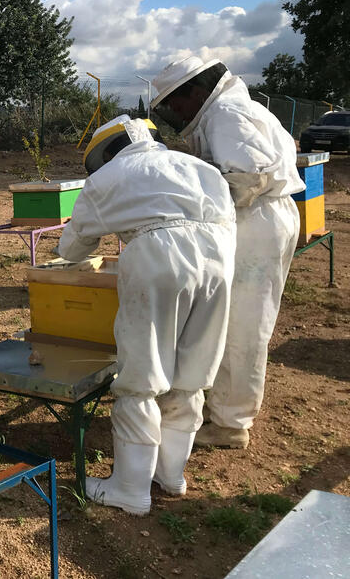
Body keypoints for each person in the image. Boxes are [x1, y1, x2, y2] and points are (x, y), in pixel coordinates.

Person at [57, 115, 236, 515]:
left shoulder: (108, 178)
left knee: (140, 379)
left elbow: (72, 249)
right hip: (219, 261)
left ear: (106, 152)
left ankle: (130, 491)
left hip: (158, 260)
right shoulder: (200, 167)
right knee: (191, 374)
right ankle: (171, 477)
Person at [151, 57, 304, 449]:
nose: (178, 113)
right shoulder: (234, 110)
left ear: (198, 93)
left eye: (178, 104)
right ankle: (223, 407)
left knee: (242, 325)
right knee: (230, 317)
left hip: (257, 220)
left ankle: (231, 424)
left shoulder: (227, 114)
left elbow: (248, 177)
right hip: (260, 217)